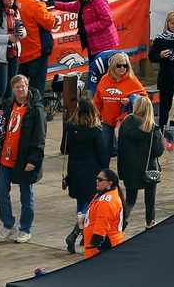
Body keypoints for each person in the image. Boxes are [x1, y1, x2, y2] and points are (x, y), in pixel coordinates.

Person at [0, 74, 45, 243]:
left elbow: (39, 137)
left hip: (24, 160)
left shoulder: (36, 109)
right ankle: (8, 224)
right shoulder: (8, 105)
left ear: (27, 86)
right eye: (17, 87)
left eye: (23, 86)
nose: (20, 90)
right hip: (6, 158)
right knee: (1, 190)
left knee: (26, 196)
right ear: (13, 89)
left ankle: (25, 228)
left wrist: (33, 160)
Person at [62, 95, 105, 253]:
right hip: (91, 171)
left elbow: (64, 149)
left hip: (74, 170)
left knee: (81, 204)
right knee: (90, 206)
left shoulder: (70, 128)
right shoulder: (95, 131)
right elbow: (102, 154)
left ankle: (82, 234)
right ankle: (76, 234)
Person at [115, 93, 163, 230]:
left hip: (129, 169)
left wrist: (121, 171)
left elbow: (121, 149)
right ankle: (150, 223)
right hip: (148, 169)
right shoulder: (152, 128)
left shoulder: (125, 124)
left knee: (130, 200)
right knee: (150, 201)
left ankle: (122, 223)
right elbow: (158, 151)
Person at [81, 169, 126, 258]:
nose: (97, 181)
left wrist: (93, 246)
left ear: (110, 183)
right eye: (97, 179)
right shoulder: (103, 194)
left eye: (100, 180)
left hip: (103, 247)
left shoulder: (106, 201)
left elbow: (102, 225)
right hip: (106, 244)